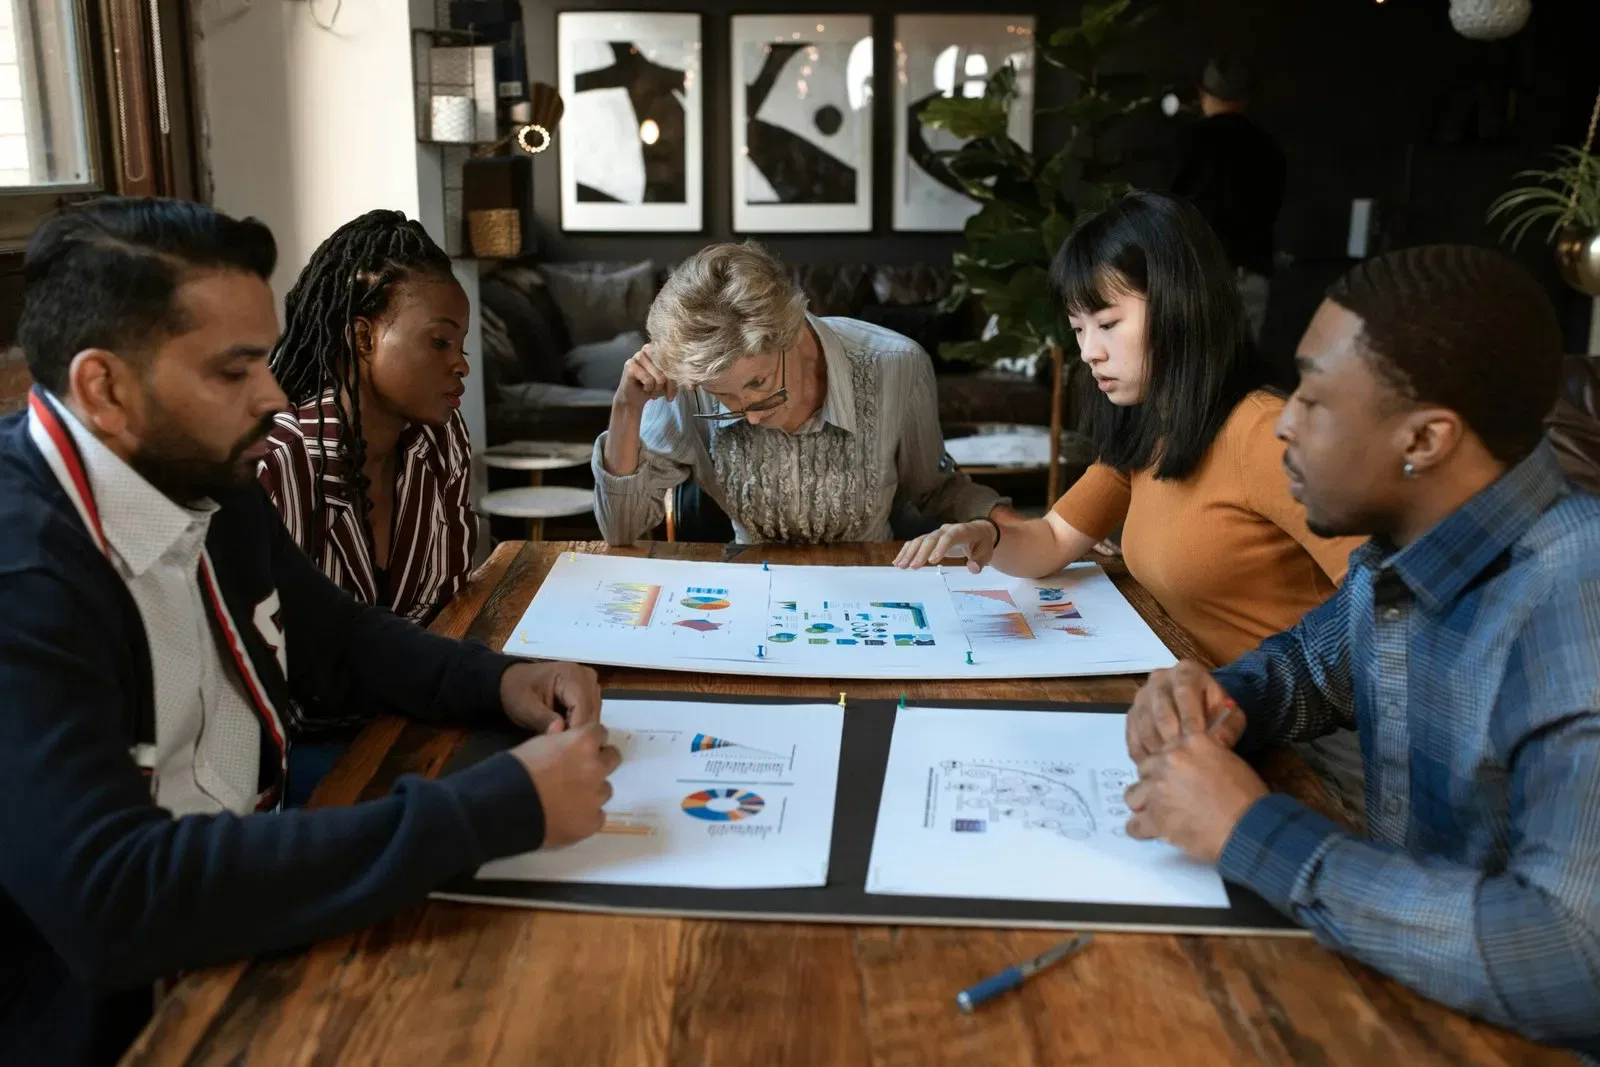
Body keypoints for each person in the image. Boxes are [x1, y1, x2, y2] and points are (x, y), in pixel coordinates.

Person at [0, 198, 621, 1067]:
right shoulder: (24, 575)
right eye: (234, 370)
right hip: (114, 1022)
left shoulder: (204, 473)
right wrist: (497, 806)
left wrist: (496, 680)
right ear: (105, 389)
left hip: (250, 927)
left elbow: (336, 636)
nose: (274, 394)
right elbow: (115, 898)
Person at [1122, 245, 1600, 1056]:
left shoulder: (1574, 600)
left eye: (1313, 396)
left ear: (1425, 438)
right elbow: (1309, 668)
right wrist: (1217, 696)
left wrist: (1250, 828)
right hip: (1401, 987)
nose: (1283, 421)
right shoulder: (1404, 548)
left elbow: (1570, 958)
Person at [897, 192, 1365, 809]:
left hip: (1310, 742)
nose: (1089, 350)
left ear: (1180, 306)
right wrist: (986, 533)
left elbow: (1387, 605)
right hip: (1203, 708)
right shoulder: (1151, 428)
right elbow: (1054, 541)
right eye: (1078, 328)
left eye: (1108, 324)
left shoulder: (1261, 431)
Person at [258, 211, 477, 802]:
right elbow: (281, 672)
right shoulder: (284, 460)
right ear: (363, 337)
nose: (461, 363)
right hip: (303, 757)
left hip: (418, 722)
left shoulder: (441, 439)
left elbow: (448, 609)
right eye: (439, 341)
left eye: (462, 344)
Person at [592, 241, 1007, 544]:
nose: (750, 415)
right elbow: (621, 528)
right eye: (723, 398)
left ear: (789, 333)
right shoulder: (690, 383)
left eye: (758, 383)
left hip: (873, 594)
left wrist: (1010, 526)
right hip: (750, 595)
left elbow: (935, 488)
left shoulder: (896, 365)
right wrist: (626, 407)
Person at [1171, 55, 1286, 338]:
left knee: (1192, 367)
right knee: (1242, 369)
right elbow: (1272, 209)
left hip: (1196, 272)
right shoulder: (1268, 147)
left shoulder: (1186, 142)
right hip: (1250, 271)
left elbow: (1168, 207)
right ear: (1247, 98)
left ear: (1202, 95)